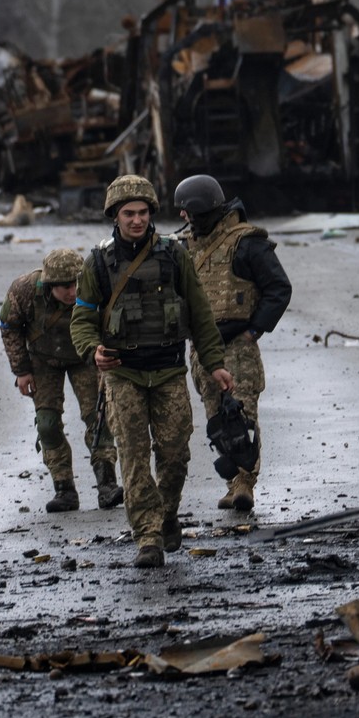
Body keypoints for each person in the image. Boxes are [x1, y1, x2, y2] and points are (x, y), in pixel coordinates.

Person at [70, 174, 232, 568]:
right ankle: (148, 536)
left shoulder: (174, 256)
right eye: (129, 213)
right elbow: (82, 320)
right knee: (133, 458)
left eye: (143, 212)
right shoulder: (98, 262)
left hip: (168, 371)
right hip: (123, 374)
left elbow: (200, 314)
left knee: (175, 455)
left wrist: (215, 364)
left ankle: (166, 512)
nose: (137, 220)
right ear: (115, 215)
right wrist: (93, 350)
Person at [173, 174, 292, 512]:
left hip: (238, 344)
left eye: (188, 212)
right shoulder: (184, 246)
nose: (183, 217)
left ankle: (244, 484)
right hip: (202, 347)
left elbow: (278, 288)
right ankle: (232, 484)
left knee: (241, 417)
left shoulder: (246, 243)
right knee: (216, 420)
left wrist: (254, 331)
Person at [0, 248, 122, 512]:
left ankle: (107, 484)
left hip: (85, 356)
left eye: (76, 284)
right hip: (43, 359)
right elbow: (9, 327)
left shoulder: (96, 285)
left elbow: (113, 321)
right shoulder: (24, 290)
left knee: (98, 417)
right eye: (65, 287)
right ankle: (64, 488)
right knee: (47, 424)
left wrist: (106, 359)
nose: (73, 292)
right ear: (50, 284)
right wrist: (21, 370)